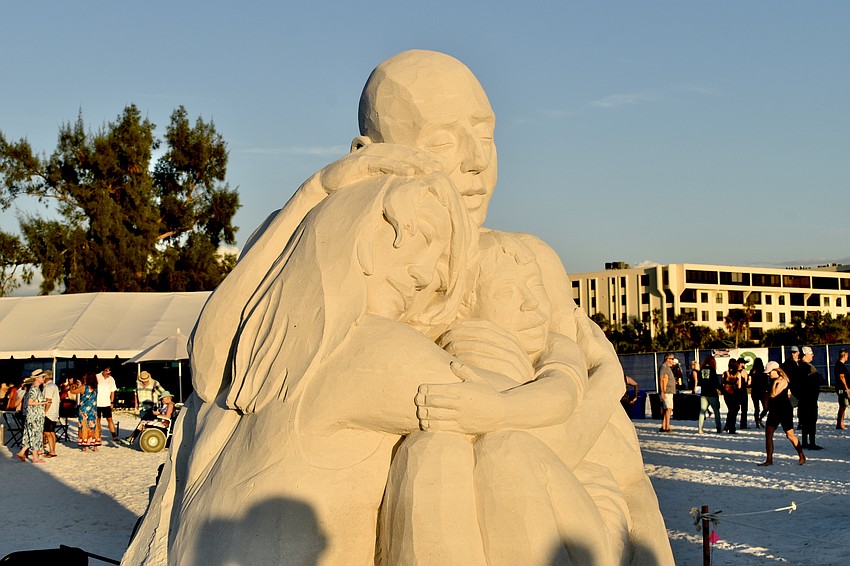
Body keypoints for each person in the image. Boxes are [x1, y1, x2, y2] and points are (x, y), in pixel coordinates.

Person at [125, 50, 673, 566]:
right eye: (442, 143)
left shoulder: (521, 258)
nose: (478, 162)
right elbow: (214, 366)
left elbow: (623, 470)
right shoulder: (338, 295)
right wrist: (595, 377)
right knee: (442, 456)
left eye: (485, 133)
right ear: (372, 158)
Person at [758, 361, 805, 466]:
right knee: (768, 434)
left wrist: (774, 383)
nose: (768, 374)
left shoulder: (783, 381)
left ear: (776, 371)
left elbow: (774, 394)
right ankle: (769, 459)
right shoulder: (772, 381)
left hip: (784, 409)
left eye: (770, 372)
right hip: (774, 409)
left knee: (790, 435)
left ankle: (801, 455)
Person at [15, 369, 49, 463]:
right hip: (35, 416)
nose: (44, 378)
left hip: (32, 416)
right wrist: (44, 402)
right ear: (37, 378)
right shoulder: (34, 388)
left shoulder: (34, 388)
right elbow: (30, 402)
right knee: (35, 435)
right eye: (42, 377)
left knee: (29, 435)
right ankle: (35, 457)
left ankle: (22, 452)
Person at [797, 346, 823, 449]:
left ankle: (805, 442)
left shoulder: (800, 366)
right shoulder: (807, 367)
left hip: (804, 398)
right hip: (809, 398)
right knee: (811, 420)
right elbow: (814, 380)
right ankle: (811, 442)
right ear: (805, 354)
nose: (813, 355)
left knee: (805, 421)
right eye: (811, 353)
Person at [70, 372, 100, 452]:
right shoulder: (95, 387)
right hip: (93, 410)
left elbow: (73, 391)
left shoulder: (84, 387)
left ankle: (86, 447)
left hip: (84, 410)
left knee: (84, 426)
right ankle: (95, 446)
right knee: (94, 427)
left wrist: (71, 385)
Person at [698, 355, 722, 434]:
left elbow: (700, 382)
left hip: (704, 393)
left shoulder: (701, 370)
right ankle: (718, 427)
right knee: (716, 411)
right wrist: (722, 389)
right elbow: (716, 383)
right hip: (712, 393)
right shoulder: (712, 370)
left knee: (702, 411)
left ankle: (700, 428)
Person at [96, 366, 119, 442]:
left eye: (109, 372)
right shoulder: (97, 377)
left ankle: (114, 435)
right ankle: (98, 436)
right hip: (97, 403)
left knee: (109, 419)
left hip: (106, 403)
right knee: (97, 420)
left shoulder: (111, 379)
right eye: (107, 372)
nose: (108, 374)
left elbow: (113, 391)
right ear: (103, 371)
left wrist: (112, 402)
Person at [42, 370, 60, 458]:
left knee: (47, 432)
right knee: (52, 432)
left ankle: (52, 451)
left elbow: (48, 400)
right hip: (54, 411)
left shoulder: (48, 387)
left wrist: (44, 411)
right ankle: (53, 450)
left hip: (49, 412)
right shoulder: (54, 386)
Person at [721, 358, 742, 434]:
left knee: (730, 410)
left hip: (727, 394)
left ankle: (727, 425)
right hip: (735, 393)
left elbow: (722, 384)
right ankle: (731, 427)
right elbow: (739, 386)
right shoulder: (738, 374)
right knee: (734, 410)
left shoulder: (725, 373)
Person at [749, 358, 769, 429]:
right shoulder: (764, 372)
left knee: (756, 408)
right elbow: (766, 382)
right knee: (766, 407)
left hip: (754, 391)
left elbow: (749, 382)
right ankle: (759, 418)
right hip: (762, 391)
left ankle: (757, 421)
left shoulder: (752, 371)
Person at [658, 354, 676, 432]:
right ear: (667, 359)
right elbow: (661, 379)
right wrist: (662, 392)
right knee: (669, 409)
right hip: (667, 392)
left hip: (669, 391)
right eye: (671, 359)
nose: (673, 360)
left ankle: (664, 425)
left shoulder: (667, 368)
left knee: (667, 409)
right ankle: (667, 426)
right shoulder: (664, 367)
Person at [834, 348, 849, 430]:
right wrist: (847, 389)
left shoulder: (840, 365)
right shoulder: (840, 365)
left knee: (843, 406)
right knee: (843, 405)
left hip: (842, 388)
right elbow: (842, 377)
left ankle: (840, 423)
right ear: (844, 355)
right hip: (842, 389)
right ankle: (840, 423)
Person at [736, 357, 751, 429]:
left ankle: (731, 423)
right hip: (742, 391)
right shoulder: (744, 372)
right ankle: (743, 424)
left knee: (734, 409)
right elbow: (747, 383)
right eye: (744, 363)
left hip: (735, 392)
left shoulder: (733, 371)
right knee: (744, 409)